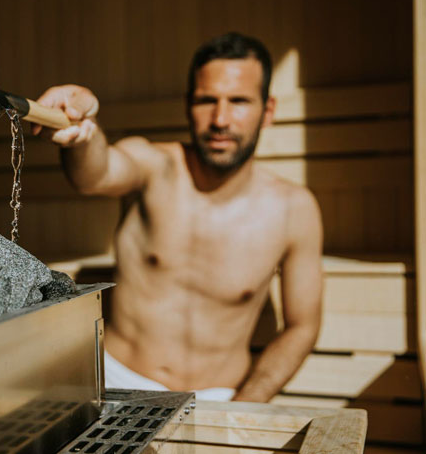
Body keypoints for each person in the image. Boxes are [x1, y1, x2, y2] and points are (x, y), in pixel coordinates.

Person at [32, 33, 323, 402]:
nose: (220, 118)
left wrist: (246, 406)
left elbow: (303, 326)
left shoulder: (294, 210)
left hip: (220, 397)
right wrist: (82, 132)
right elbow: (96, 174)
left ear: (267, 112)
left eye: (238, 101)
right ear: (188, 105)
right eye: (206, 101)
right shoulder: (154, 166)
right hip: (119, 382)